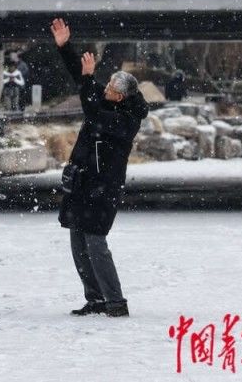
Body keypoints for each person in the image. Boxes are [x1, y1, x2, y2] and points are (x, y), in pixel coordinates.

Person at [50, 18, 149, 317]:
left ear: (120, 96)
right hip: (82, 182)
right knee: (77, 241)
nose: (103, 89)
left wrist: (88, 80)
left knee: (95, 242)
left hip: (104, 189)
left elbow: (91, 107)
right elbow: (82, 79)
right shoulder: (107, 102)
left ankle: (115, 302)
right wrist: (66, 47)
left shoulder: (126, 120)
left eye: (109, 88)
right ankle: (95, 300)